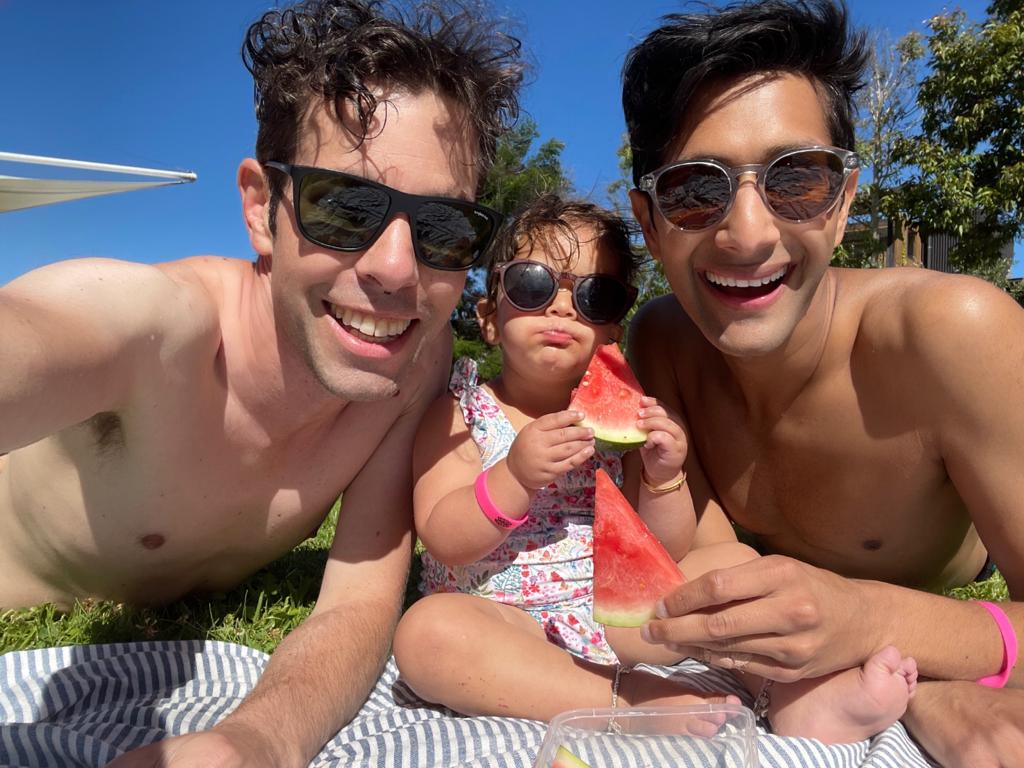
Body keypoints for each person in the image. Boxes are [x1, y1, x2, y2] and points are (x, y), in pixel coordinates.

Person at [0, 0, 522, 765]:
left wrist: (257, 740)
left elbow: (359, 599)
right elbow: (33, 338)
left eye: (444, 229)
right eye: (345, 208)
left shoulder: (418, 361)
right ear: (259, 208)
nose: (397, 270)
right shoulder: (153, 325)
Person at [620, 1, 1024, 764]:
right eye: (695, 190)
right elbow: (718, 576)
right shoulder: (663, 341)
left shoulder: (952, 335)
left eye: (796, 178)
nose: (747, 234)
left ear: (842, 203)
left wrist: (878, 630)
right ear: (648, 222)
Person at [392, 193, 917, 744]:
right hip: (503, 619)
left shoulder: (624, 421)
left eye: (595, 295)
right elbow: (444, 535)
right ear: (489, 317)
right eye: (532, 285)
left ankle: (792, 696)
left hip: (612, 614)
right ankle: (628, 699)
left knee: (734, 561)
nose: (563, 308)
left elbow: (660, 548)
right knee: (428, 635)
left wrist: (665, 475)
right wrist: (516, 477)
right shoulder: (460, 412)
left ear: (614, 330)